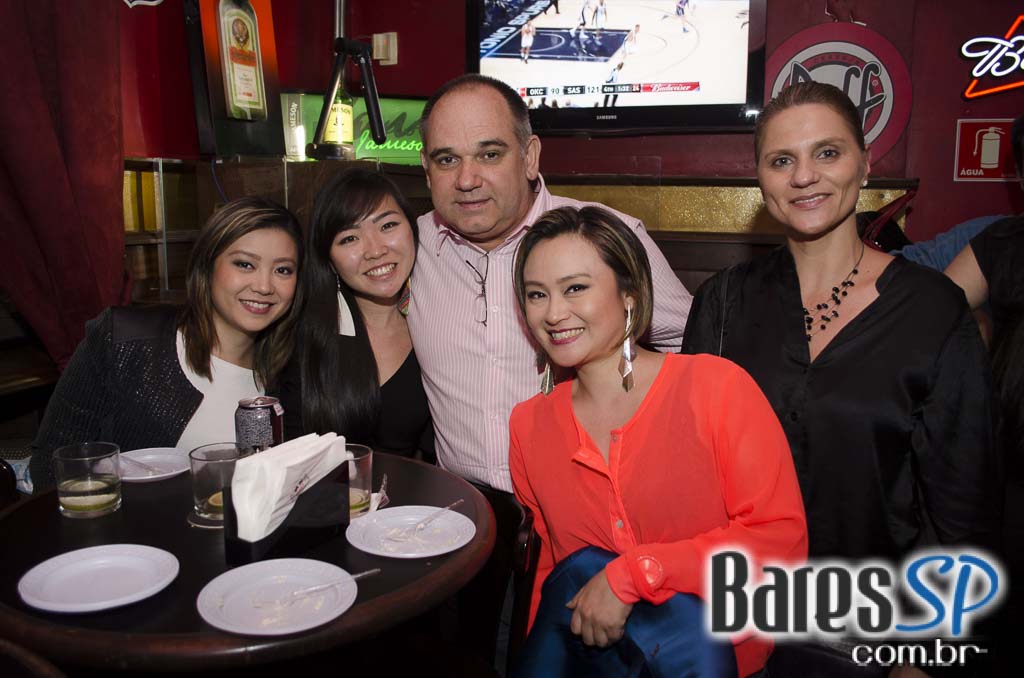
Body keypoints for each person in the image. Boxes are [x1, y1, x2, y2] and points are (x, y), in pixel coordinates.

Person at [682, 81, 999, 673]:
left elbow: (963, 506)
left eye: (827, 152)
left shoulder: (932, 309)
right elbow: (694, 475)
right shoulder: (723, 303)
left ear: (865, 162)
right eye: (782, 160)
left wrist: (925, 655)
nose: (805, 176)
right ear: (761, 179)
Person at [411, 73, 691, 666]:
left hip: (585, 530)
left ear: (531, 155)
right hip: (458, 524)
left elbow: (689, 343)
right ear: (427, 170)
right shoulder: (409, 252)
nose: (467, 179)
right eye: (446, 159)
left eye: (490, 154)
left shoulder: (601, 237)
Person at [509, 205, 807, 677]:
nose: (553, 313)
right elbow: (552, 572)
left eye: (575, 288)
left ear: (629, 293)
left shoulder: (716, 388)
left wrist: (638, 573)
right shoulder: (529, 425)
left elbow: (779, 543)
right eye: (536, 294)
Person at [29, 197, 303, 489]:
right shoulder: (123, 340)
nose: (263, 286)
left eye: (283, 270)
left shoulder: (292, 376)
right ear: (207, 265)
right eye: (245, 264)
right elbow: (51, 465)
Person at [276, 169, 431, 460]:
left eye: (387, 225)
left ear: (412, 229)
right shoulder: (301, 335)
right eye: (349, 239)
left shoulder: (436, 322)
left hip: (413, 489)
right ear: (329, 260)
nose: (375, 251)